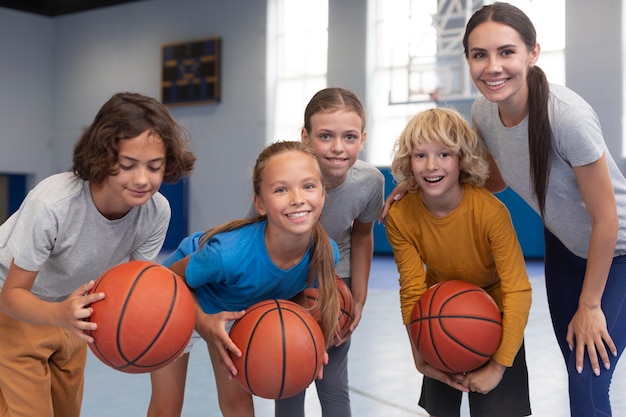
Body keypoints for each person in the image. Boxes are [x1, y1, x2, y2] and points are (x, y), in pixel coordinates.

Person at [382, 2, 626, 415]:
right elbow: (490, 179)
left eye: (506, 52)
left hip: (616, 250)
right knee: (577, 365)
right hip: (565, 248)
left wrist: (590, 306)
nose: (492, 66)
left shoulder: (567, 118)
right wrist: (416, 183)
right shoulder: (484, 112)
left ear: (532, 53)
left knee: (587, 375)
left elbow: (607, 219)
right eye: (480, 55)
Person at [0, 91, 196, 417]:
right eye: (128, 165)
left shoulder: (156, 211)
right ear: (103, 156)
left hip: (73, 309)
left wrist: (168, 332)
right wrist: (60, 314)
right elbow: (11, 295)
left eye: (155, 167)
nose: (142, 179)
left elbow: (139, 292)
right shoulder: (54, 203)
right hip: (14, 304)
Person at [148, 140, 341, 417]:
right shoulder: (227, 255)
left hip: (232, 314)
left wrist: (310, 337)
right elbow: (166, 281)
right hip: (178, 299)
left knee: (238, 406)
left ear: (323, 195)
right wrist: (203, 321)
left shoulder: (324, 255)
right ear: (260, 203)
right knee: (167, 408)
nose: (297, 198)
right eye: (281, 189)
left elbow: (294, 290)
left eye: (308, 186)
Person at [384, 107, 532, 417]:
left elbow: (517, 290)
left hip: (497, 316)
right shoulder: (400, 215)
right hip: (438, 316)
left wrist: (499, 366)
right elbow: (412, 288)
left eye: (444, 155)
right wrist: (419, 352)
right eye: (420, 155)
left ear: (462, 159)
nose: (431, 165)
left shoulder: (491, 213)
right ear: (408, 161)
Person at [273, 87, 385, 417]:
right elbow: (260, 238)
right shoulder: (282, 174)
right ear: (305, 137)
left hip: (338, 279)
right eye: (325, 136)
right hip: (286, 278)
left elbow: (363, 235)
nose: (338, 148)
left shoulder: (370, 181)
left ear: (362, 138)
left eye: (349, 137)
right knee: (290, 377)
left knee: (333, 380)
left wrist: (359, 298)